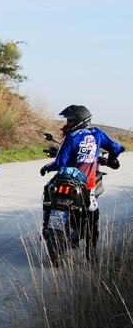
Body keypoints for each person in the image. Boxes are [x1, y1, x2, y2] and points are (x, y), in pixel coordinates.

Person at [40, 105, 124, 253]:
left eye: (71, 121)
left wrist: (46, 167)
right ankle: (90, 252)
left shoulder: (71, 137)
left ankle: (46, 224)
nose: (68, 124)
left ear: (80, 120)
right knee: (93, 214)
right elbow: (116, 148)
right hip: (86, 185)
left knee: (48, 192)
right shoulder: (97, 134)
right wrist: (112, 159)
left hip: (63, 180)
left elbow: (59, 163)